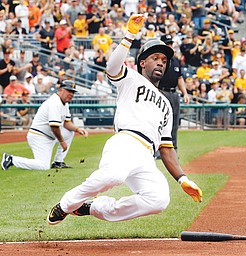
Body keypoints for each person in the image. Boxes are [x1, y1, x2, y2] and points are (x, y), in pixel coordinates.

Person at [46, 14, 202, 226]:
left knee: (159, 199)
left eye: (164, 60)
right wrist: (129, 35)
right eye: (155, 58)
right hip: (126, 142)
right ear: (143, 62)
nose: (161, 63)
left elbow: (166, 148)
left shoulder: (166, 104)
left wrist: (183, 179)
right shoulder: (130, 78)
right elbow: (111, 67)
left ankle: (93, 208)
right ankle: (66, 205)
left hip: (146, 154)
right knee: (114, 177)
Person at [1, 80, 89, 171]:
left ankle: (58, 162)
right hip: (39, 136)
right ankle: (11, 159)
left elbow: (67, 123)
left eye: (73, 92)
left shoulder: (64, 103)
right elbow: (54, 127)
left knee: (70, 132)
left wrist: (78, 129)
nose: (71, 94)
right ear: (61, 90)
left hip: (49, 135)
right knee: (43, 166)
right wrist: (62, 142)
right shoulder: (55, 103)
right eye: (69, 91)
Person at [159, 34, 189, 151]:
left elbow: (180, 78)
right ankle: (159, 149)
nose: (170, 46)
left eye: (171, 44)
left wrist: (185, 93)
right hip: (161, 92)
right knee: (161, 121)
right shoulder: (159, 61)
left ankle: (173, 148)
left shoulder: (175, 61)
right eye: (167, 44)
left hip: (174, 93)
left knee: (174, 122)